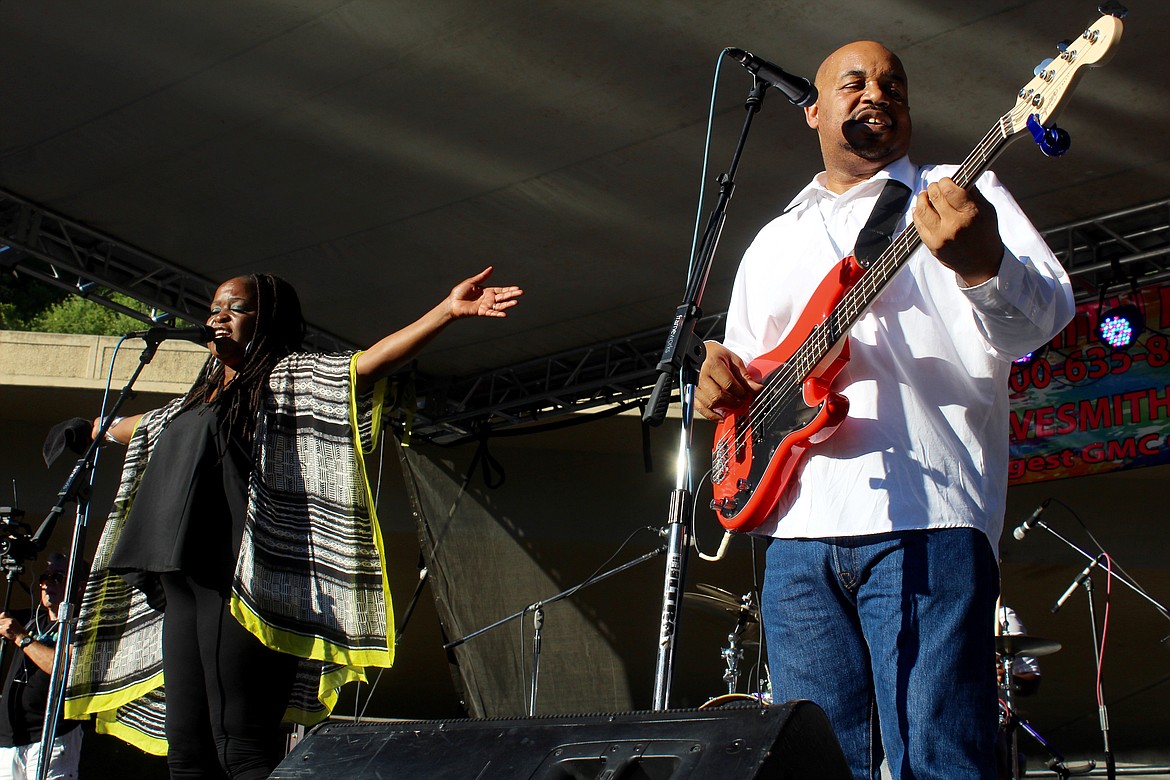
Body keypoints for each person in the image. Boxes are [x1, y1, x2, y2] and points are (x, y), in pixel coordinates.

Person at [696, 41, 1074, 779]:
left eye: (894, 84)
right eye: (856, 81)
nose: (879, 93)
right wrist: (717, 386)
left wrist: (980, 262)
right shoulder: (776, 239)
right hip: (795, 535)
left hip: (925, 518)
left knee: (939, 758)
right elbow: (744, 384)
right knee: (820, 765)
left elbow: (1045, 319)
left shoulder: (957, 189)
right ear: (813, 111)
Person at [63, 267, 522, 779]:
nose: (219, 317)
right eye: (215, 307)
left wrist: (447, 310)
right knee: (187, 754)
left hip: (240, 583)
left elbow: (365, 366)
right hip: (179, 580)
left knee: (239, 748)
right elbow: (144, 425)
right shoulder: (197, 397)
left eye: (235, 308)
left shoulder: (287, 377)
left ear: (268, 319)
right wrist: (92, 429)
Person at [0, 554, 85, 780]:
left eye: (57, 577)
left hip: (51, 737)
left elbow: (64, 668)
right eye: (45, 577)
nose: (47, 583)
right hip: (10, 739)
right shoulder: (31, 617)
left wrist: (21, 637)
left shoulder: (80, 626)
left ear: (79, 586)